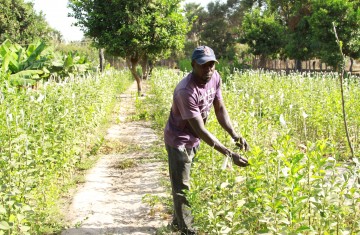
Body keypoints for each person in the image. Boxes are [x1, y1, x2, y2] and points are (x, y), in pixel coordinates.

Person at [164, 45, 250, 234]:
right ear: (193, 64)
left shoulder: (215, 78)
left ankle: (177, 222)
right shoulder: (185, 91)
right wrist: (229, 154)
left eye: (211, 64)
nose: (209, 69)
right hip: (179, 140)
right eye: (204, 65)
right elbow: (201, 130)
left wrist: (234, 135)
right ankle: (187, 230)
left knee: (183, 183)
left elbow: (219, 109)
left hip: (193, 139)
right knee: (183, 187)